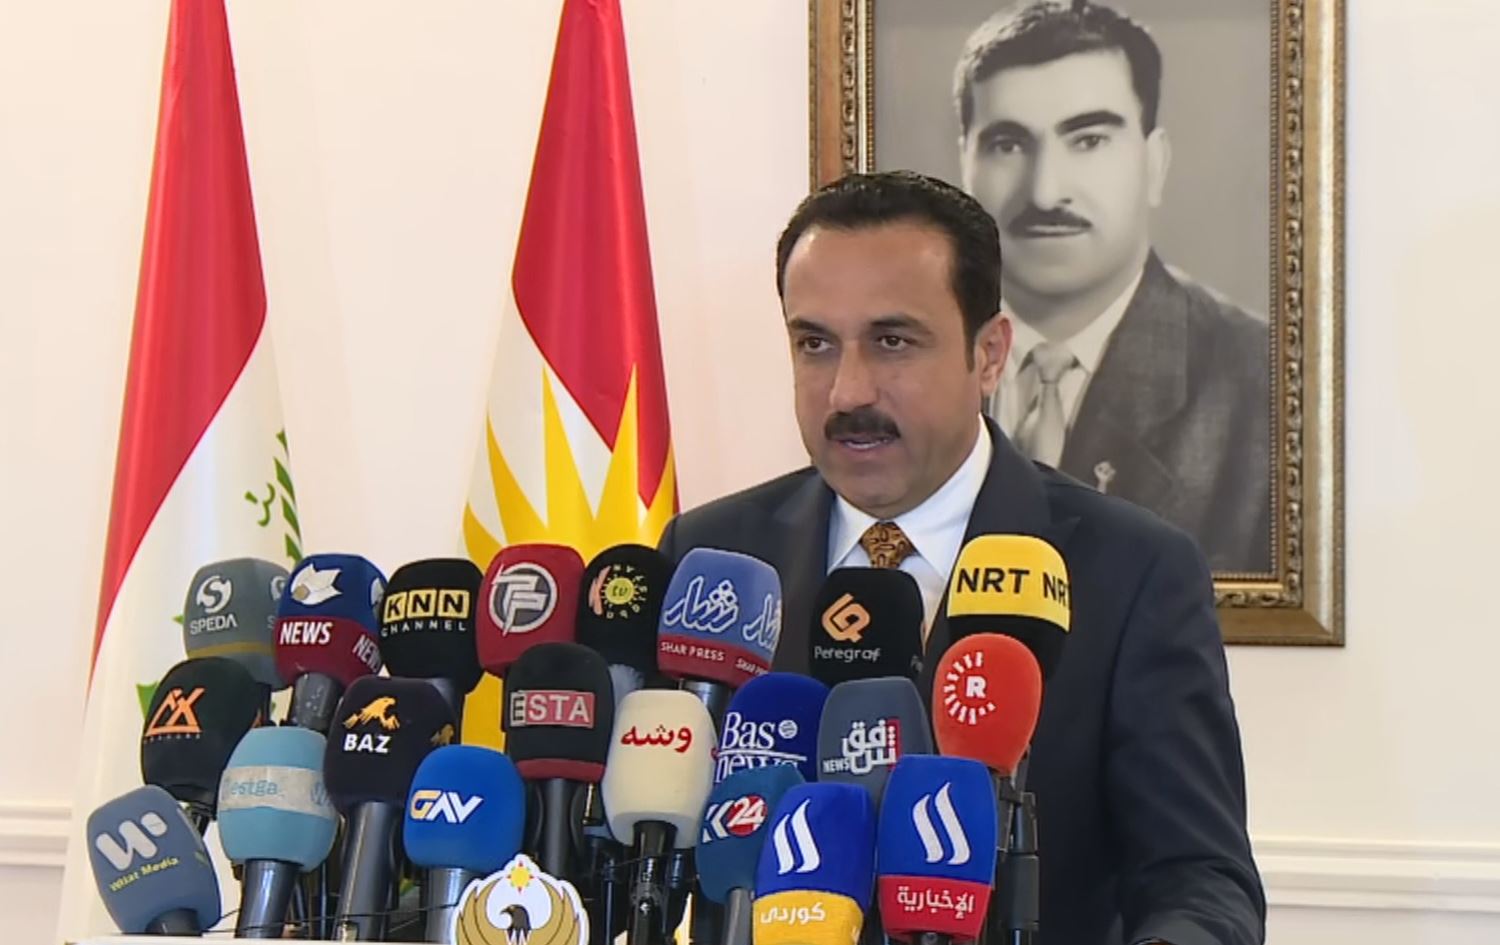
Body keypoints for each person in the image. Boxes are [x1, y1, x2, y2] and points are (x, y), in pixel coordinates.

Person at [658, 171, 1264, 945]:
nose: (847, 391)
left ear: (989, 354)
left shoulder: (1133, 571)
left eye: (892, 341)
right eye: (814, 343)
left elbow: (1200, 882)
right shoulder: (709, 557)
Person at [954, 0, 1270, 573]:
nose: (1045, 191)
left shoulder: (1262, 385)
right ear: (964, 165)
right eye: (1008, 144)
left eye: (1089, 140)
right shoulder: (906, 362)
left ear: (1155, 164)